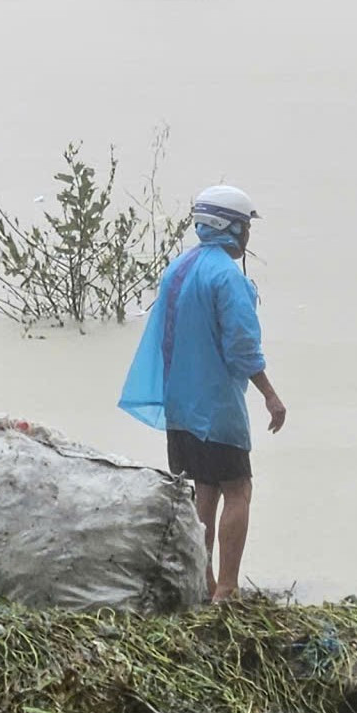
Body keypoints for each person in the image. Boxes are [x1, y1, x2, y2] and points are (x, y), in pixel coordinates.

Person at [119, 185, 287, 602]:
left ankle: (203, 582)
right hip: (216, 409)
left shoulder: (177, 269)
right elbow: (242, 347)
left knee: (205, 491)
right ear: (233, 228)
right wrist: (270, 394)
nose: (248, 235)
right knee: (238, 489)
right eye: (246, 226)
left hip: (180, 407)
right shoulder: (227, 277)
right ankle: (227, 587)